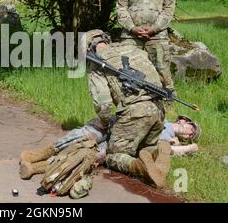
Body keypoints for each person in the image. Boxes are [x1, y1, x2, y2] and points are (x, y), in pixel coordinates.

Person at [21, 30, 171, 188]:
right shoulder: (134, 49)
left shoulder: (99, 64)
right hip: (159, 109)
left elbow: (104, 105)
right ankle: (156, 152)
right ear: (106, 40)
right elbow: (162, 76)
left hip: (136, 113)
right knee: (143, 146)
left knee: (114, 155)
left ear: (87, 48)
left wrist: (107, 124)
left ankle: (139, 167)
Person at [20, 116, 201, 179]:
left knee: (88, 155)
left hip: (122, 142)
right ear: (183, 120)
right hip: (112, 126)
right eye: (190, 128)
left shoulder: (167, 143)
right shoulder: (161, 117)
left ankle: (36, 168)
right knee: (84, 135)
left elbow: (165, 155)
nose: (188, 133)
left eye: (190, 135)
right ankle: (37, 154)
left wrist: (188, 148)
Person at [116, 0, 176, 91]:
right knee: (127, 71)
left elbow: (169, 8)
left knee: (163, 73)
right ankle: (131, 106)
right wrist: (132, 27)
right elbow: (121, 8)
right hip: (131, 36)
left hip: (157, 36)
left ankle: (169, 104)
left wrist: (155, 28)